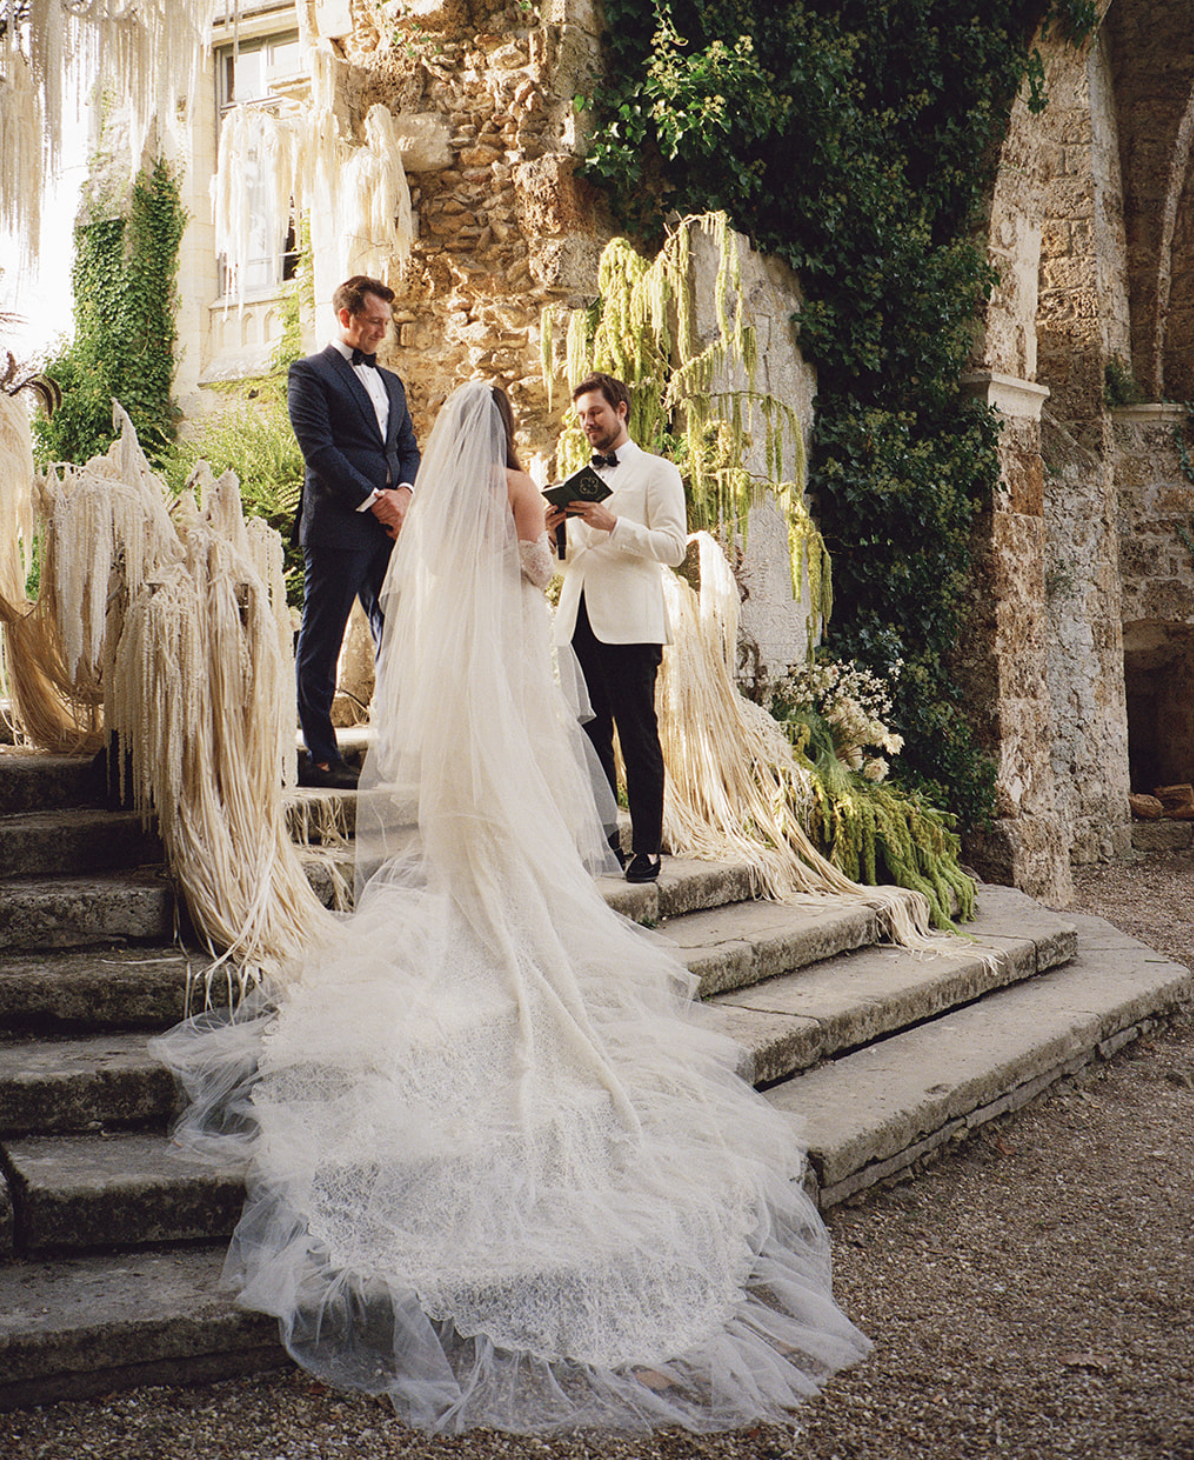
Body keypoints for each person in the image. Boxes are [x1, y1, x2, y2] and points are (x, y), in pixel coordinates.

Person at [155, 381, 867, 1434]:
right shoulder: (522, 488)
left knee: (462, 831)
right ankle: (515, 913)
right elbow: (537, 575)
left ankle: (473, 906)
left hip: (452, 698)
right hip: (515, 687)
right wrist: (538, 540)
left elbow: (417, 587)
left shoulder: (441, 500)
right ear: (512, 436)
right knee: (532, 827)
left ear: (449, 439)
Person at [546, 372, 687, 882]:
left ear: (621, 410)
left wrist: (613, 524)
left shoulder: (657, 472)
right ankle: (603, 839)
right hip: (577, 620)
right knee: (590, 738)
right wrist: (554, 534)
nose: (587, 423)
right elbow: (572, 562)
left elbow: (673, 548)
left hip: (631, 626)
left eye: (596, 413)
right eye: (581, 416)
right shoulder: (578, 475)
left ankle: (647, 847)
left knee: (638, 736)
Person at [287, 275, 420, 789]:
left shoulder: (392, 384)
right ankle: (321, 757)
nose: (381, 332)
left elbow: (406, 448)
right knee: (323, 643)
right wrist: (376, 502)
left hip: (392, 532)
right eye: (374, 322)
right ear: (345, 316)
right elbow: (319, 452)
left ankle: (401, 745)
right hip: (339, 527)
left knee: (400, 636)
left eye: (386, 323)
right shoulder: (310, 374)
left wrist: (404, 495)